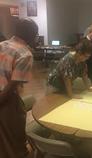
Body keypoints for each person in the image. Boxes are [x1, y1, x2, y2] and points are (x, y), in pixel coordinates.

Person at [0, 18, 38, 158]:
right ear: (31, 35)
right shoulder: (25, 54)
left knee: (3, 141)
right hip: (6, 100)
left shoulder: (2, 44)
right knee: (15, 140)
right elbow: (12, 86)